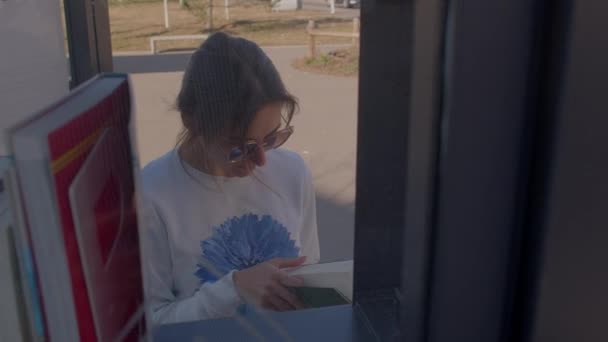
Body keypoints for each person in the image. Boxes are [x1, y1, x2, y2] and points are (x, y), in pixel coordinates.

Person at [140, 32, 320, 325]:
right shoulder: (151, 194)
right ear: (191, 121)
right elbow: (152, 322)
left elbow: (312, 275)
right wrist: (234, 289)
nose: (262, 160)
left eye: (272, 138)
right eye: (239, 147)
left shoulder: (293, 171)